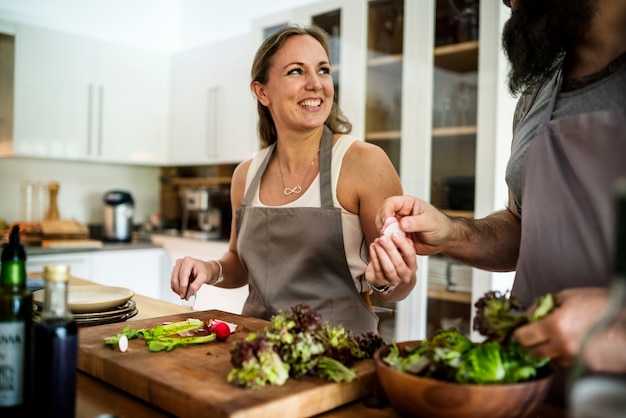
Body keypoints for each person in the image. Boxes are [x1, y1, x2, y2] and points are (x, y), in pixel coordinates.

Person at [375, 0, 626, 405]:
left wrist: (615, 326)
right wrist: (452, 234)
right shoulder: (535, 97)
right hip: (528, 390)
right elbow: (523, 226)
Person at [170, 25, 417, 336]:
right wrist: (209, 269)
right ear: (262, 92)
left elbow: (401, 285)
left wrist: (390, 279)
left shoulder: (364, 163)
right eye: (296, 71)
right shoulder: (245, 174)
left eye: (323, 70)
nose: (315, 84)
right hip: (258, 350)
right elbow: (239, 263)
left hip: (341, 358)